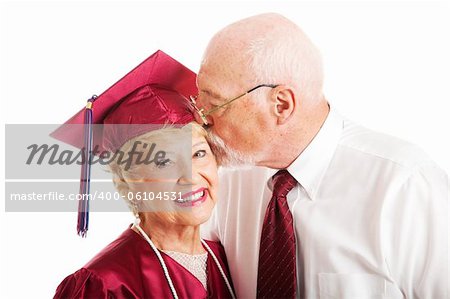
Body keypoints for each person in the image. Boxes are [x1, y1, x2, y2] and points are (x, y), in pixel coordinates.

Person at [192, 13, 449, 298]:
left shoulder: (404, 186)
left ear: (281, 105)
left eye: (215, 105)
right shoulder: (224, 179)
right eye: (198, 102)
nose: (202, 119)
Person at [52, 50, 235, 299]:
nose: (190, 176)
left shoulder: (230, 260)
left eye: (198, 154)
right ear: (130, 182)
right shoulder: (103, 285)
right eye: (163, 162)